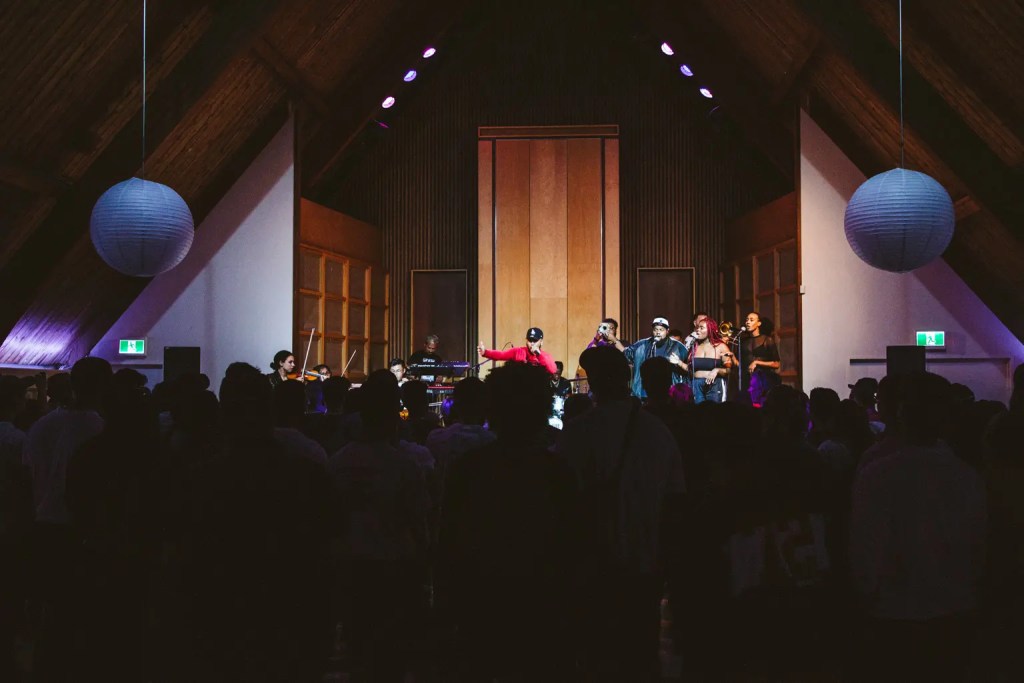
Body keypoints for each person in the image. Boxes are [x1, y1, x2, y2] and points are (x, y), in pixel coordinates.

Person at [437, 364, 577, 681]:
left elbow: (450, 543)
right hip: (543, 608)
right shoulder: (559, 473)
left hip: (483, 607)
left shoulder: (469, 468)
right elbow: (573, 548)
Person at [556, 345, 686, 681]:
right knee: (641, 651)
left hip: (592, 560)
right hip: (645, 560)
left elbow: (565, 500)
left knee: (596, 653)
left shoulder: (579, 431)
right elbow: (674, 503)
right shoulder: (659, 432)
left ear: (595, 383)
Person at [610, 317, 687, 398]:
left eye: (661, 330)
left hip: (668, 390)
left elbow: (687, 367)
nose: (658, 332)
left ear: (667, 331)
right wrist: (614, 340)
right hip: (645, 391)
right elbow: (627, 353)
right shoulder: (642, 344)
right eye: (655, 329)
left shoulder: (678, 346)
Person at [672, 318, 732, 404]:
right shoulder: (694, 347)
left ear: (710, 329)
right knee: (698, 413)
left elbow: (729, 370)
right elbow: (690, 369)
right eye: (697, 328)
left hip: (714, 385)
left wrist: (717, 370)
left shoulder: (721, 346)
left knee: (714, 412)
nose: (697, 330)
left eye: (701, 328)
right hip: (696, 385)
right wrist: (679, 362)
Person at [738, 312, 780, 405]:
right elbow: (739, 363)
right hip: (747, 382)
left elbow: (777, 364)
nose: (748, 322)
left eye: (751, 320)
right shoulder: (743, 341)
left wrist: (757, 362)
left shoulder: (767, 340)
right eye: (747, 320)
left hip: (763, 382)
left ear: (759, 323)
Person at [477, 327, 558, 374]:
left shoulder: (546, 356)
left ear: (541, 342)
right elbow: (501, 355)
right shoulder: (518, 351)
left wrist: (539, 355)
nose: (532, 344)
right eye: (530, 340)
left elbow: (553, 370)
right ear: (526, 340)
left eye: (535, 341)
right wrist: (485, 352)